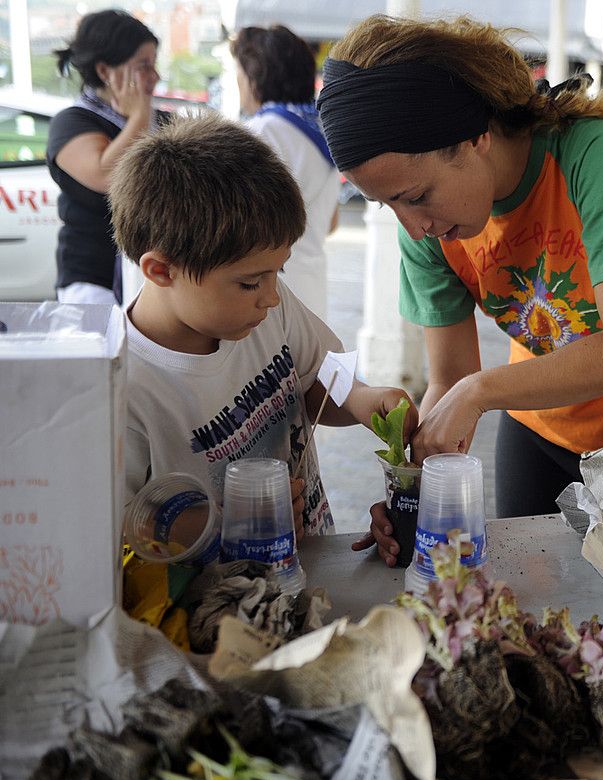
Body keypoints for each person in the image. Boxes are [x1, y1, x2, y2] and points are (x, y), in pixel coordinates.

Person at [317, 15, 603, 562]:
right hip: (538, 435)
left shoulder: (595, 157)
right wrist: (411, 493)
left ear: (476, 139)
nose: (413, 227)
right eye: (388, 205)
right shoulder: (429, 230)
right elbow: (451, 383)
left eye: (415, 196)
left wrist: (479, 392)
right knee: (536, 604)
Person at [108, 115, 415, 538]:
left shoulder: (268, 309)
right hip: (213, 596)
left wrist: (364, 398)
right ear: (162, 270)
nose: (271, 296)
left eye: (278, 273)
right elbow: (121, 525)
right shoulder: (122, 389)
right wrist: (228, 519)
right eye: (250, 282)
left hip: (307, 559)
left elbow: (319, 379)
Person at [47, 9, 167, 306]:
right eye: (144, 66)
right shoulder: (73, 121)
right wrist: (139, 116)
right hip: (94, 281)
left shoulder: (163, 121)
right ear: (105, 72)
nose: (155, 76)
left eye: (154, 64)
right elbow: (107, 176)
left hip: (154, 277)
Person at [232, 25, 340, 319]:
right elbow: (331, 222)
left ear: (254, 78)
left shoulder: (259, 133)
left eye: (239, 75)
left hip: (267, 292)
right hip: (312, 288)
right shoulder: (324, 130)